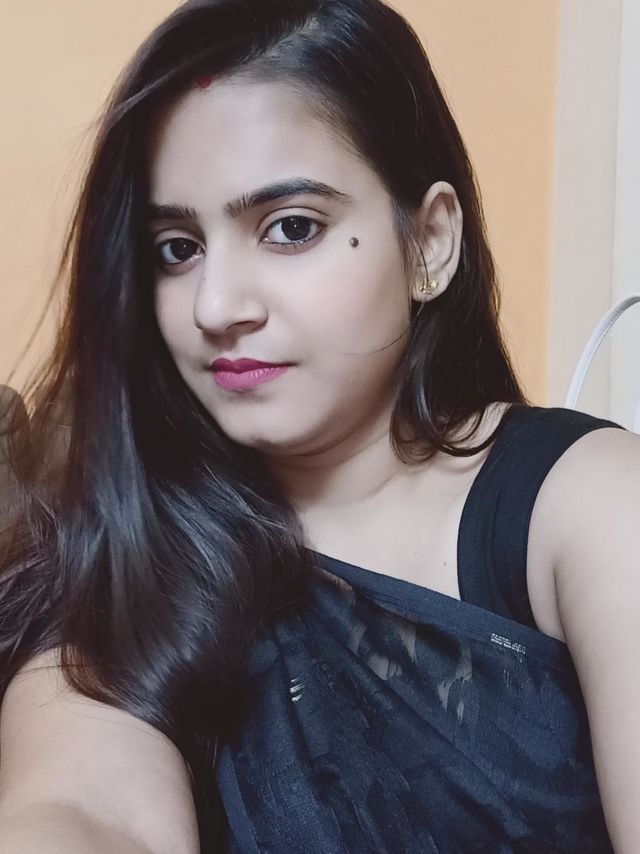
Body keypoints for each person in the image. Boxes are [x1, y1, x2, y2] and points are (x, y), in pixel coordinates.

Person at [0, 0, 638, 851]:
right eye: (177, 249)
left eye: (290, 229)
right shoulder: (123, 552)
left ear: (429, 243)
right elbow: (84, 811)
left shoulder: (585, 502)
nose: (216, 307)